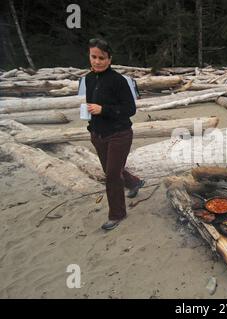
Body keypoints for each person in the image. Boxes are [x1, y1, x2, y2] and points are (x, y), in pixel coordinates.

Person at [85, 38, 144, 231]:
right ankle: (135, 183)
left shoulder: (119, 81)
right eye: (94, 57)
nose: (97, 61)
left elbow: (130, 109)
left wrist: (104, 110)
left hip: (120, 133)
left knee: (111, 175)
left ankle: (117, 214)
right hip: (98, 134)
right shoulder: (88, 78)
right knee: (112, 170)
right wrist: (91, 127)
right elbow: (90, 106)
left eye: (102, 58)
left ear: (109, 59)